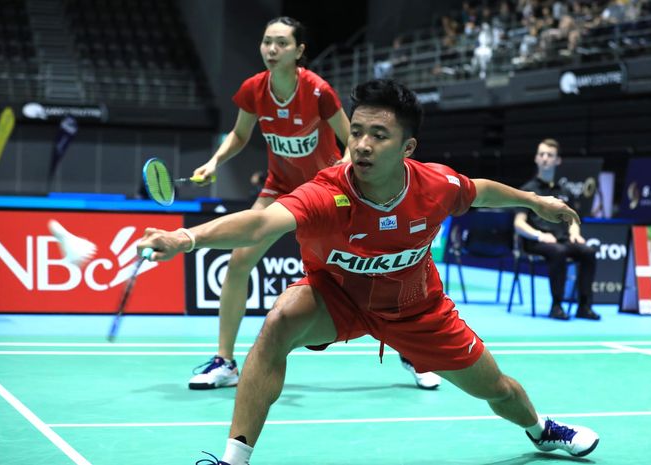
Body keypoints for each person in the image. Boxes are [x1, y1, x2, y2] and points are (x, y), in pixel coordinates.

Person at [139, 79, 600, 464]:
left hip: (417, 308)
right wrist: (187, 238)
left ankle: (540, 430)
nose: (361, 144)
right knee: (279, 321)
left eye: (378, 135)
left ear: (407, 147)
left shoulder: (435, 185)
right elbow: (261, 222)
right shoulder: (328, 194)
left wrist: (537, 202)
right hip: (338, 298)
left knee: (497, 390)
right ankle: (232, 460)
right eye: (355, 132)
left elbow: (478, 190)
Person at [189, 17, 440, 391]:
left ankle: (410, 350)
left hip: (329, 193)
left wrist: (339, 181)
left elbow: (348, 143)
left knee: (378, 269)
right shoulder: (254, 90)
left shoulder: (318, 91)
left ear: (298, 51)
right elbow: (240, 135)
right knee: (240, 260)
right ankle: (225, 361)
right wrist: (214, 162)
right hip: (280, 188)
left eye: (281, 43)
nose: (271, 50)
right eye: (266, 42)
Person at [513, 138, 601, 321]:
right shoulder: (527, 191)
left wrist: (575, 233)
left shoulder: (564, 191)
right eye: (541, 154)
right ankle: (557, 306)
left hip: (561, 240)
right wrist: (539, 235)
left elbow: (573, 219)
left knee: (588, 252)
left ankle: (584, 306)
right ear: (536, 159)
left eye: (550, 155)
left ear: (557, 161)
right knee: (559, 252)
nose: (545, 158)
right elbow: (519, 223)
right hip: (536, 242)